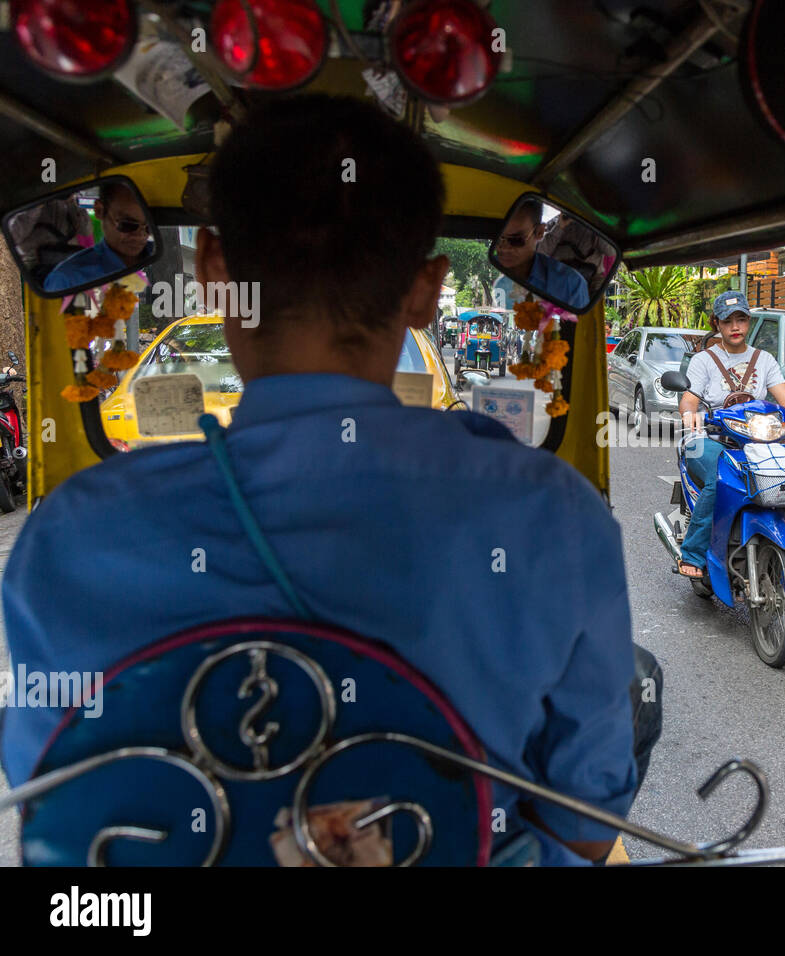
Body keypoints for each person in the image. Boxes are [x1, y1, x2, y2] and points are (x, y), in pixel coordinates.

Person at [0, 94, 657, 867]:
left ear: (214, 272)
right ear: (427, 290)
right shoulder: (553, 515)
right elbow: (584, 824)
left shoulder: (73, 531)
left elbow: (51, 795)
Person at [676, 291, 785, 579]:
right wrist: (690, 415)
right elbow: (689, 399)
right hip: (710, 438)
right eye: (728, 321)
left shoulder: (763, 359)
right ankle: (693, 552)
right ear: (716, 323)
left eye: (741, 319)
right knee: (718, 478)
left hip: (758, 440)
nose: (735, 327)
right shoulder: (703, 360)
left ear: (748, 322)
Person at [43, 182, 154, 292]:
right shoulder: (66, 279)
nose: (141, 235)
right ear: (99, 210)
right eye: (127, 224)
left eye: (149, 227)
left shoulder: (165, 254)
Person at [493, 198, 589, 311]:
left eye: (516, 240)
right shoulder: (496, 276)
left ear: (539, 232)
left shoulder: (571, 284)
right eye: (498, 238)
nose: (504, 248)